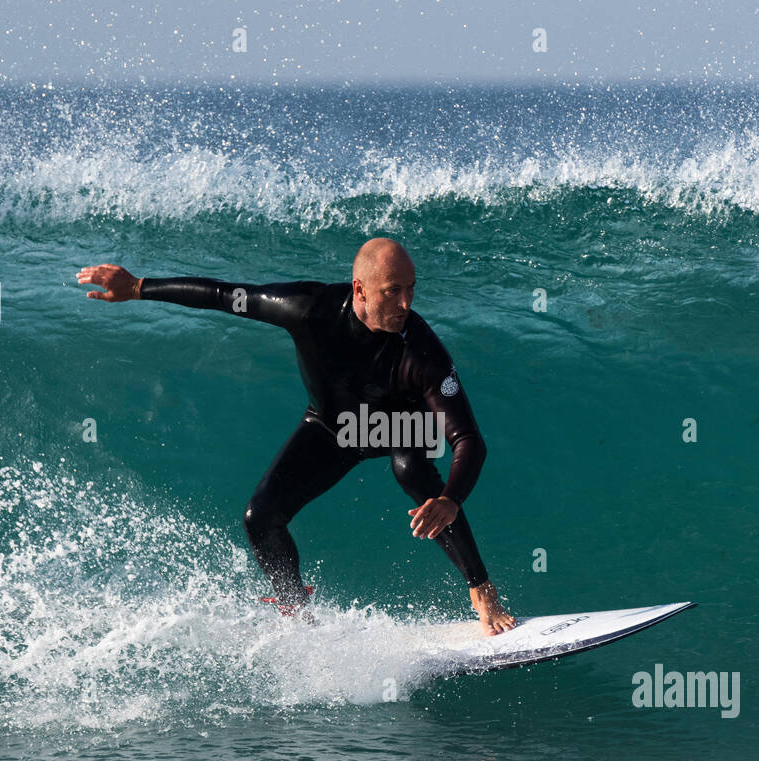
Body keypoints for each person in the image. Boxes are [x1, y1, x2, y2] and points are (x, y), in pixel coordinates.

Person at [76, 238, 516, 635]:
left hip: (397, 426)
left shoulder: (423, 351)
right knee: (259, 516)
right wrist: (138, 287)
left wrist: (450, 500)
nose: (406, 303)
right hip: (332, 426)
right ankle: (295, 606)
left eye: (411, 289)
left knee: (412, 472)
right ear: (360, 290)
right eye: (392, 291)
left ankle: (482, 592)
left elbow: (468, 439)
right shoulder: (309, 308)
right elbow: (223, 295)